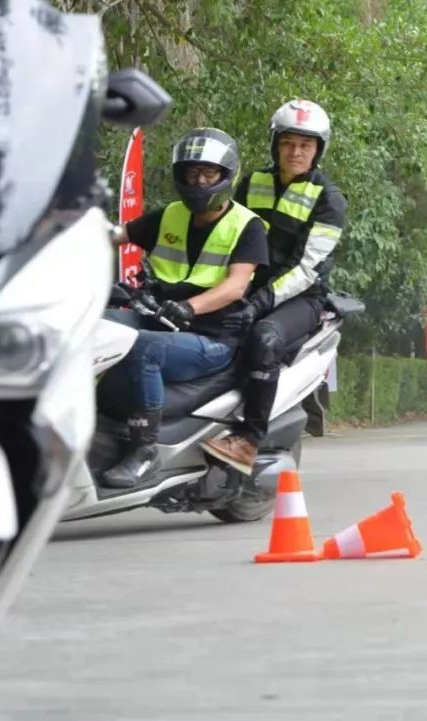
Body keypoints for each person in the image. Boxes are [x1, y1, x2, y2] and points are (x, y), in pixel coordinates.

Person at [101, 127, 269, 489]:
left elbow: (237, 284)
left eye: (209, 172)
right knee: (97, 327)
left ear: (227, 176)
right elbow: (116, 235)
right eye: (192, 172)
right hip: (159, 320)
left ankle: (145, 451)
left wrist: (190, 307)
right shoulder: (170, 216)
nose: (199, 181)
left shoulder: (247, 225)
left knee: (143, 350)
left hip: (213, 337)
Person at [200, 99, 347, 474]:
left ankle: (249, 439)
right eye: (287, 143)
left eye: (305, 145)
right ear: (275, 144)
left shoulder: (329, 199)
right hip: (250, 287)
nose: (295, 152)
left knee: (264, 337)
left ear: (318, 150)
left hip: (303, 298)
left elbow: (307, 268)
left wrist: (259, 301)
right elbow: (230, 239)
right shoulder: (252, 183)